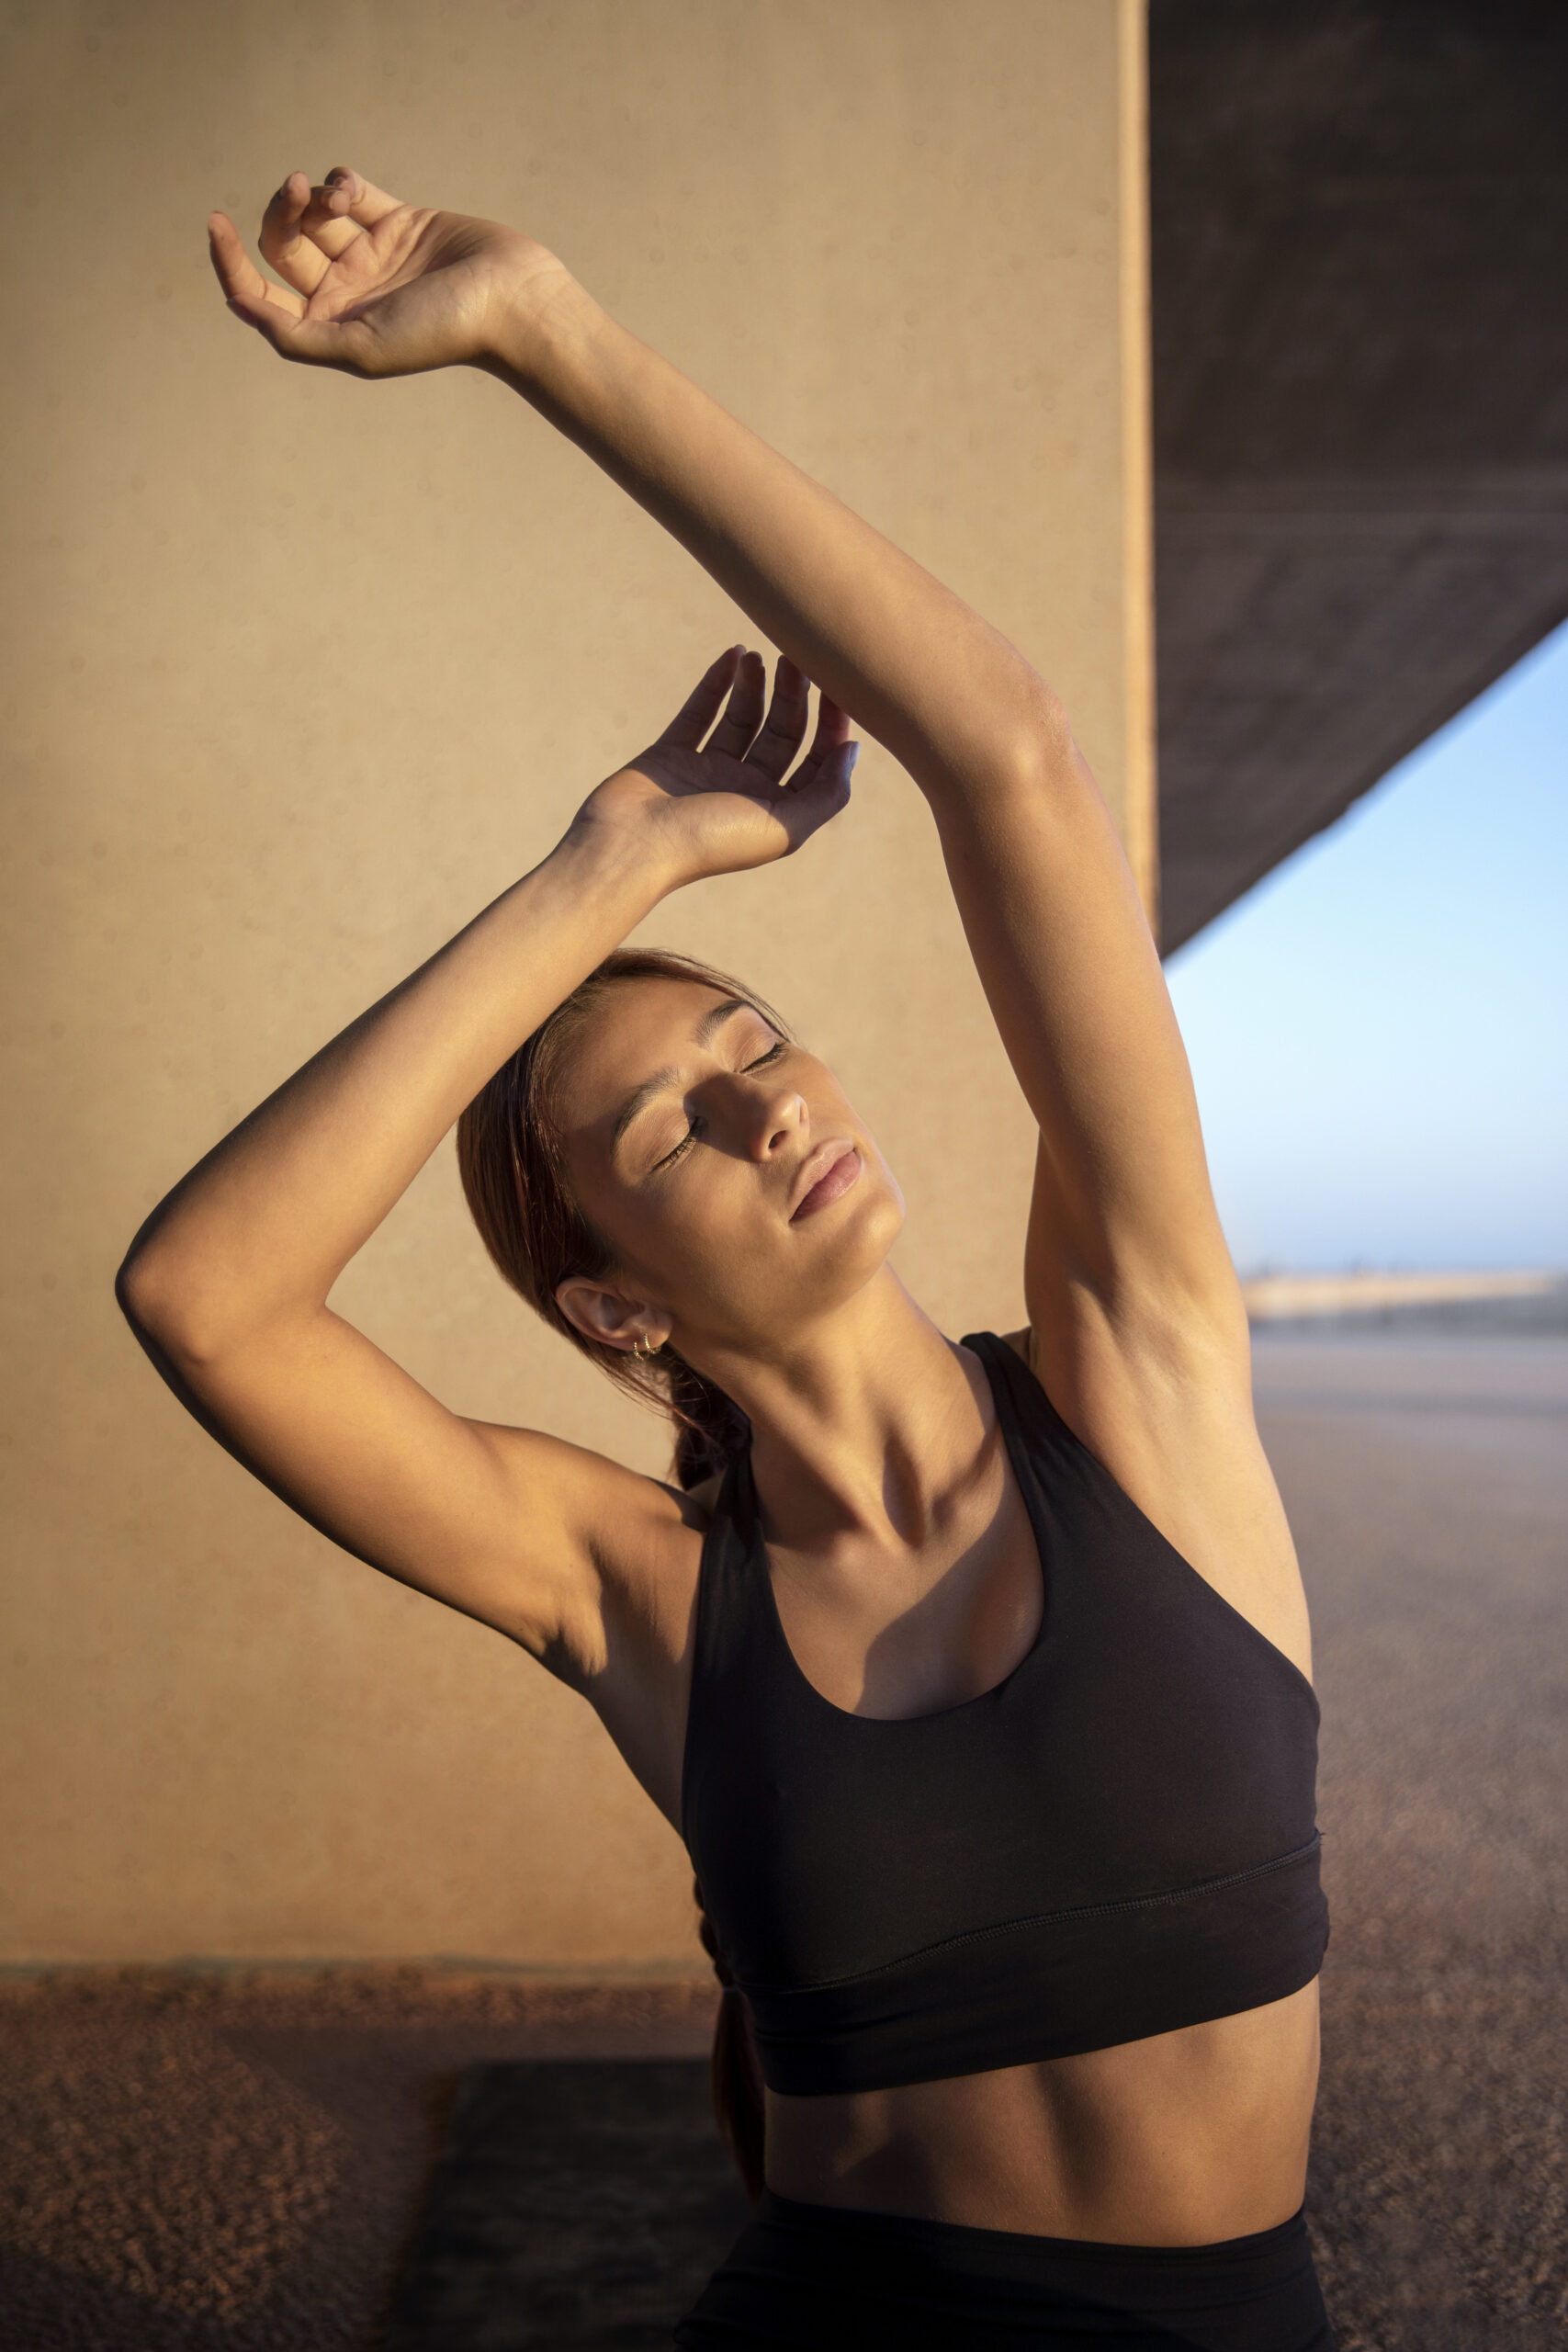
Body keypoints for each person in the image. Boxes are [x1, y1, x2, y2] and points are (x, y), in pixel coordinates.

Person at [117, 164, 1336, 2350]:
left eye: (757, 1032)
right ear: (611, 1302)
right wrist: (603, 869)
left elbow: (1009, 760)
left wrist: (545, 331)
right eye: (677, 1113)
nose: (777, 1099)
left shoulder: (1139, 1369)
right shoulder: (637, 1595)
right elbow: (206, 1298)